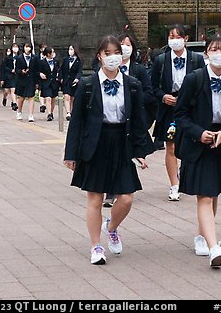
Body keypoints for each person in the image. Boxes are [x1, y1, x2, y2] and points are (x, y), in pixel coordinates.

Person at [63, 35, 150, 265]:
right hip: (95, 143)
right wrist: (71, 154)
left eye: (116, 53)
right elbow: (77, 121)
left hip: (122, 141)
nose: (113, 58)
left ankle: (111, 227)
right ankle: (96, 246)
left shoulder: (132, 85)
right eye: (107, 53)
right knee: (95, 198)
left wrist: (140, 151)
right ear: (100, 56)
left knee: (127, 198)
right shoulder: (88, 84)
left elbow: (139, 119)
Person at [174, 34, 221, 267]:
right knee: (205, 195)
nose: (218, 53)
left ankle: (202, 235)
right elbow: (180, 114)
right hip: (199, 143)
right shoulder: (194, 79)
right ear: (206, 53)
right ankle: (213, 247)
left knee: (214, 192)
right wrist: (199, 132)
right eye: (214, 49)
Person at [151, 24, 205, 201]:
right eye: (171, 37)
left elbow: (202, 84)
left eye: (177, 37)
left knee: (189, 143)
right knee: (171, 145)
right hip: (169, 108)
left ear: (186, 39)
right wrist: (164, 96)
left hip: (190, 107)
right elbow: (153, 87)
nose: (174, 40)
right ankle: (174, 185)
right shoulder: (161, 60)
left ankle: (185, 175)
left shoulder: (196, 60)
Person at [103, 32, 156, 208]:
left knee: (124, 156)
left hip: (131, 120)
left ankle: (123, 187)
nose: (124, 48)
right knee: (111, 157)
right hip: (109, 123)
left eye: (128, 45)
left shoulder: (139, 70)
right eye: (121, 45)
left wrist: (133, 97)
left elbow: (149, 93)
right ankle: (110, 191)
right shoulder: (103, 71)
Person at [15, 42, 38, 122]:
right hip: (22, 80)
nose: (27, 48)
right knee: (21, 97)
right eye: (26, 47)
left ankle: (31, 115)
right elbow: (16, 69)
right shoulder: (19, 58)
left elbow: (36, 70)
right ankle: (19, 111)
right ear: (23, 48)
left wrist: (37, 82)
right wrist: (21, 71)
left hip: (31, 80)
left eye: (29, 47)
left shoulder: (34, 58)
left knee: (31, 97)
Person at [59, 44, 84, 121]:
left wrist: (77, 78)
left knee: (73, 98)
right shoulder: (65, 59)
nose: (70, 51)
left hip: (74, 81)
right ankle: (68, 112)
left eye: (72, 49)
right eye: (69, 49)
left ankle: (72, 111)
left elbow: (80, 71)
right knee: (67, 96)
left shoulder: (79, 60)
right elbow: (61, 69)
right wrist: (61, 78)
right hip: (66, 81)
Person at [38, 46, 60, 121]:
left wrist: (58, 75)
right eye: (52, 52)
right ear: (48, 54)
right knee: (48, 98)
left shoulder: (56, 61)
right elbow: (37, 70)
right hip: (45, 82)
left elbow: (59, 70)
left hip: (54, 82)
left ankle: (51, 112)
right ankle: (49, 113)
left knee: (53, 98)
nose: (53, 54)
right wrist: (40, 74)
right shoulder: (42, 62)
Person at [0, 44, 19, 111]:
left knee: (14, 89)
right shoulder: (7, 58)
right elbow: (4, 67)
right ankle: (4, 98)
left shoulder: (20, 57)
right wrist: (10, 70)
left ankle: (14, 103)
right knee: (6, 91)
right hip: (8, 76)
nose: (15, 48)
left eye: (17, 47)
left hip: (16, 75)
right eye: (14, 47)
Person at [37, 44, 47, 113]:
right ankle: (42, 104)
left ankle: (44, 103)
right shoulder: (37, 57)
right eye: (43, 48)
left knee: (46, 90)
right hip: (39, 75)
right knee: (40, 89)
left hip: (47, 76)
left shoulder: (50, 57)